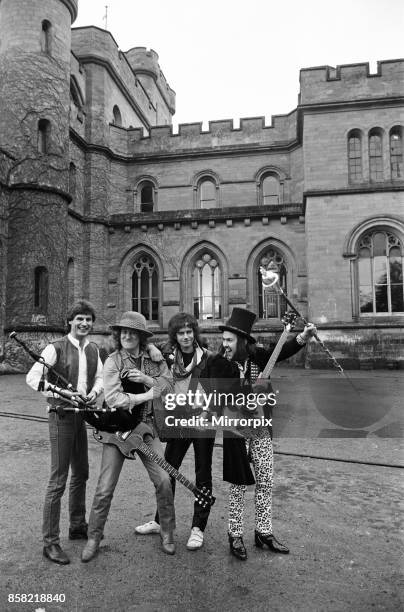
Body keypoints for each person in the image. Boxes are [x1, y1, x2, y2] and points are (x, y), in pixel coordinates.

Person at [211, 307, 316, 561]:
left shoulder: (257, 357)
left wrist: (303, 336)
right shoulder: (218, 363)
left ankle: (263, 532)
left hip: (261, 429)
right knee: (238, 483)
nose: (224, 344)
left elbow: (281, 352)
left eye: (229, 340)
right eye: (223, 339)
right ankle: (235, 533)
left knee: (266, 481)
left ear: (243, 341)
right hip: (236, 429)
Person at [81, 311, 176, 562]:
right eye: (124, 332)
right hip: (119, 431)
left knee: (164, 480)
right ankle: (94, 537)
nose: (127, 336)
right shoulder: (113, 361)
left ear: (141, 337)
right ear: (118, 335)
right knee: (104, 487)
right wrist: (145, 395)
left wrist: (147, 379)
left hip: (146, 428)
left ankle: (167, 531)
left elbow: (169, 385)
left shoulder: (154, 358)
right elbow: (114, 399)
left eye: (132, 332)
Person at [26, 299, 103, 565]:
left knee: (81, 471)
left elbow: (101, 379)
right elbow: (33, 378)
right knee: (58, 480)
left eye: (88, 319)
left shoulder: (93, 349)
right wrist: (61, 392)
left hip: (80, 415)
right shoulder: (55, 347)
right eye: (79, 318)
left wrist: (93, 393)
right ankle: (50, 543)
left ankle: (77, 524)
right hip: (60, 416)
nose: (84, 323)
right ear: (70, 321)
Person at [135, 313, 215, 551]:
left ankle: (198, 528)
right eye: (181, 333)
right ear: (175, 336)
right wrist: (150, 346)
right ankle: (161, 521)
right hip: (180, 420)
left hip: (202, 420)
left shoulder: (208, 358)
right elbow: (141, 346)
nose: (186, 336)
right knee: (168, 470)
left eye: (190, 332)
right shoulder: (170, 356)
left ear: (195, 333)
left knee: (203, 473)